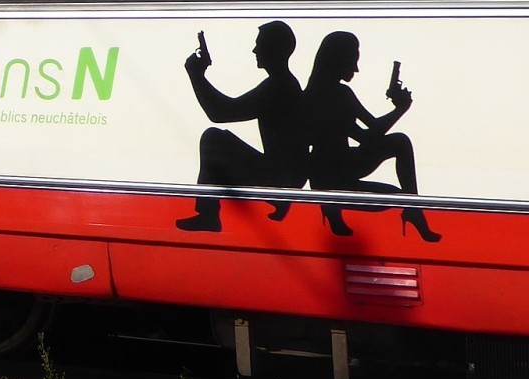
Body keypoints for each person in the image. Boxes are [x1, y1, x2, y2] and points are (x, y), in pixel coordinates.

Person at [302, 30, 438, 242]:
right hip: (339, 174)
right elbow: (371, 135)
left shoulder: (316, 93)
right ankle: (412, 209)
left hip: (329, 172)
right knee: (400, 146)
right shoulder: (339, 94)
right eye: (352, 60)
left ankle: (334, 212)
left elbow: (364, 135)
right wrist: (401, 108)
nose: (355, 68)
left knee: (399, 148)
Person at [176, 20, 307, 233]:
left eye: (260, 44)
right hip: (286, 172)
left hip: (282, 177)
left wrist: (196, 75)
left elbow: (221, 113)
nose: (255, 50)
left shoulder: (278, 87)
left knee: (213, 140)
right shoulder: (284, 83)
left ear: (274, 49)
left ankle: (208, 215)